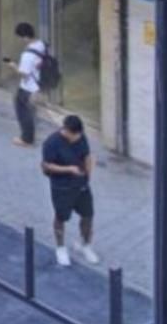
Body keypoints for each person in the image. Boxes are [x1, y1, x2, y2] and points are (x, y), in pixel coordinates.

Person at [41, 114, 100, 267]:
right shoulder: (52, 143)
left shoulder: (81, 138)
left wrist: (89, 171)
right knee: (61, 217)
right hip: (62, 187)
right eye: (74, 135)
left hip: (81, 185)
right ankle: (60, 248)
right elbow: (47, 165)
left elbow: (87, 155)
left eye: (79, 135)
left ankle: (85, 245)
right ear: (66, 131)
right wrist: (69, 169)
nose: (77, 138)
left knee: (88, 215)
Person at [6, 22, 48, 146]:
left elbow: (23, 74)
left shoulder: (27, 55)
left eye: (19, 37)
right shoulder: (41, 44)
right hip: (39, 82)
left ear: (24, 37)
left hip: (28, 87)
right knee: (28, 109)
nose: (20, 40)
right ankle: (28, 135)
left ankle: (26, 139)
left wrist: (13, 65)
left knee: (22, 111)